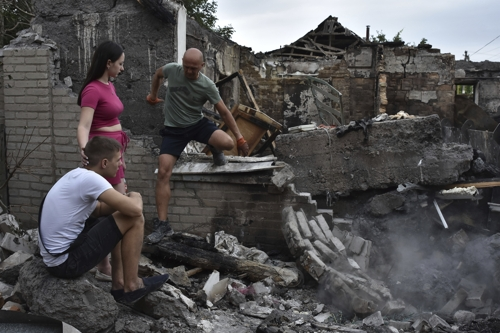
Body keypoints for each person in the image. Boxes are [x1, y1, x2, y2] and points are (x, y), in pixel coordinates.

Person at [38, 136, 169, 305]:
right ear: (105, 163)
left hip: (56, 260)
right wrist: (135, 196)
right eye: (118, 160)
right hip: (66, 263)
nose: (121, 164)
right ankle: (132, 285)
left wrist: (121, 200)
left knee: (115, 217)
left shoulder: (76, 175)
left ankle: (119, 284)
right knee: (135, 219)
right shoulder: (92, 180)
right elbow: (135, 210)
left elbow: (99, 210)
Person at [145, 48, 250, 244]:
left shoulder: (207, 85)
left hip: (196, 125)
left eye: (194, 68)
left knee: (226, 143)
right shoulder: (172, 70)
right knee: (163, 172)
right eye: (186, 67)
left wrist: (240, 138)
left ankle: (215, 147)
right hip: (173, 130)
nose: (189, 72)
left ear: (202, 66)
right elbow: (158, 74)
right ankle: (163, 225)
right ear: (182, 62)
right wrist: (153, 95)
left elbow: (225, 113)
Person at [76, 40, 128, 278]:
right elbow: (84, 125)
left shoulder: (110, 85)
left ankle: (109, 264)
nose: (122, 68)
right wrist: (85, 150)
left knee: (117, 206)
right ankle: (106, 265)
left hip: (114, 153)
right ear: (108, 63)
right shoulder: (92, 89)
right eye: (119, 63)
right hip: (102, 158)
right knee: (116, 208)